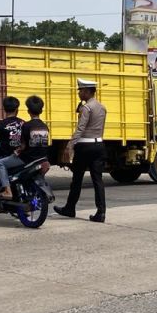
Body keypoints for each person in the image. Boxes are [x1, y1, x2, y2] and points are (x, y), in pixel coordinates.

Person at [55, 78, 107, 223]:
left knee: (77, 179)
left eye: (81, 91)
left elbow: (81, 128)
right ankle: (101, 212)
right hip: (99, 145)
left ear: (87, 92)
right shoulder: (102, 107)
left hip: (85, 147)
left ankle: (70, 208)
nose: (79, 93)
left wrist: (70, 145)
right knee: (98, 180)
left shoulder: (86, 108)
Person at [0, 95, 50, 199]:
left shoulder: (27, 126)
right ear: (41, 110)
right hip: (42, 159)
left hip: (28, 159)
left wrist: (18, 150)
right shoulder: (45, 126)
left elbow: (23, 145)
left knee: (0, 163)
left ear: (28, 111)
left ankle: (7, 190)